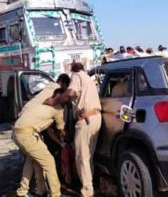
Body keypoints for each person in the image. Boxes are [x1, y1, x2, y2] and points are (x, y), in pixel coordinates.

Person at [45, 63, 102, 197]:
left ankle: (87, 192)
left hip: (85, 119)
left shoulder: (77, 76)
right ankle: (90, 186)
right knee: (88, 157)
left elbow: (70, 93)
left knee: (81, 158)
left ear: (73, 70)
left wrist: (54, 101)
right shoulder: (88, 78)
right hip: (95, 117)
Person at [15, 74, 70, 197]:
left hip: (18, 126)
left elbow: (48, 129)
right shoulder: (57, 108)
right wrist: (64, 141)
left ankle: (29, 191)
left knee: (33, 159)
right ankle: (56, 193)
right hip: (27, 132)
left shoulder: (46, 92)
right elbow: (60, 131)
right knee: (49, 161)